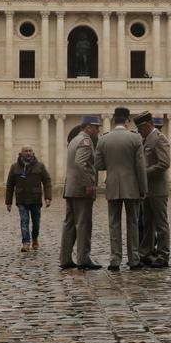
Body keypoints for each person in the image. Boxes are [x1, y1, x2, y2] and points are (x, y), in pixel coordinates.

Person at [98, 107, 146, 271]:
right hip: (132, 186)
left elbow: (98, 164)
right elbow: (140, 166)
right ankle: (133, 259)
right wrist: (143, 187)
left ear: (113, 120)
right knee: (133, 222)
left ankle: (115, 260)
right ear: (127, 120)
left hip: (112, 185)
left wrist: (111, 165)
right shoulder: (135, 138)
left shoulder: (104, 139)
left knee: (114, 223)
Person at [60, 114, 102, 270]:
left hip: (71, 188)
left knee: (69, 224)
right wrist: (88, 184)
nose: (98, 131)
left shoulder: (74, 140)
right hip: (81, 189)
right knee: (83, 224)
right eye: (96, 128)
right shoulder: (85, 141)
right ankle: (83, 259)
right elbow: (80, 163)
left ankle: (65, 258)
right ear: (89, 127)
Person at [136, 113, 171, 268]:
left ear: (148, 124)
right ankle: (146, 253)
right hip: (148, 189)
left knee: (161, 224)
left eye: (140, 127)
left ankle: (163, 255)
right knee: (147, 223)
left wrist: (144, 172)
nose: (138, 131)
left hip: (158, 189)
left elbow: (164, 163)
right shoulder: (144, 139)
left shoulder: (159, 138)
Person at [5, 144, 52, 253]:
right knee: (24, 221)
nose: (28, 152)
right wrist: (8, 202)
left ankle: (35, 238)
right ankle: (26, 243)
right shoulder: (15, 167)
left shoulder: (40, 166)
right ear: (21, 153)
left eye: (30, 150)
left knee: (36, 223)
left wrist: (48, 197)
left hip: (36, 199)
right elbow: (10, 185)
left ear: (33, 153)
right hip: (21, 199)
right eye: (25, 151)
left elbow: (47, 182)